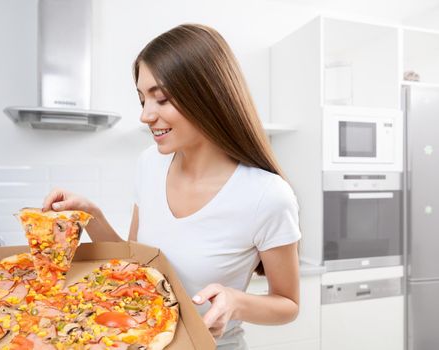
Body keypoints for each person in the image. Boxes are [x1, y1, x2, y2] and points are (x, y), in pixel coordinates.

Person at [43, 23, 301, 350]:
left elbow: (288, 304)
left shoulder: (268, 195)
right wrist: (90, 215)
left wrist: (236, 302)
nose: (146, 115)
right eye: (141, 100)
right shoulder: (150, 163)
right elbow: (135, 266)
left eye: (161, 98)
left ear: (208, 96)